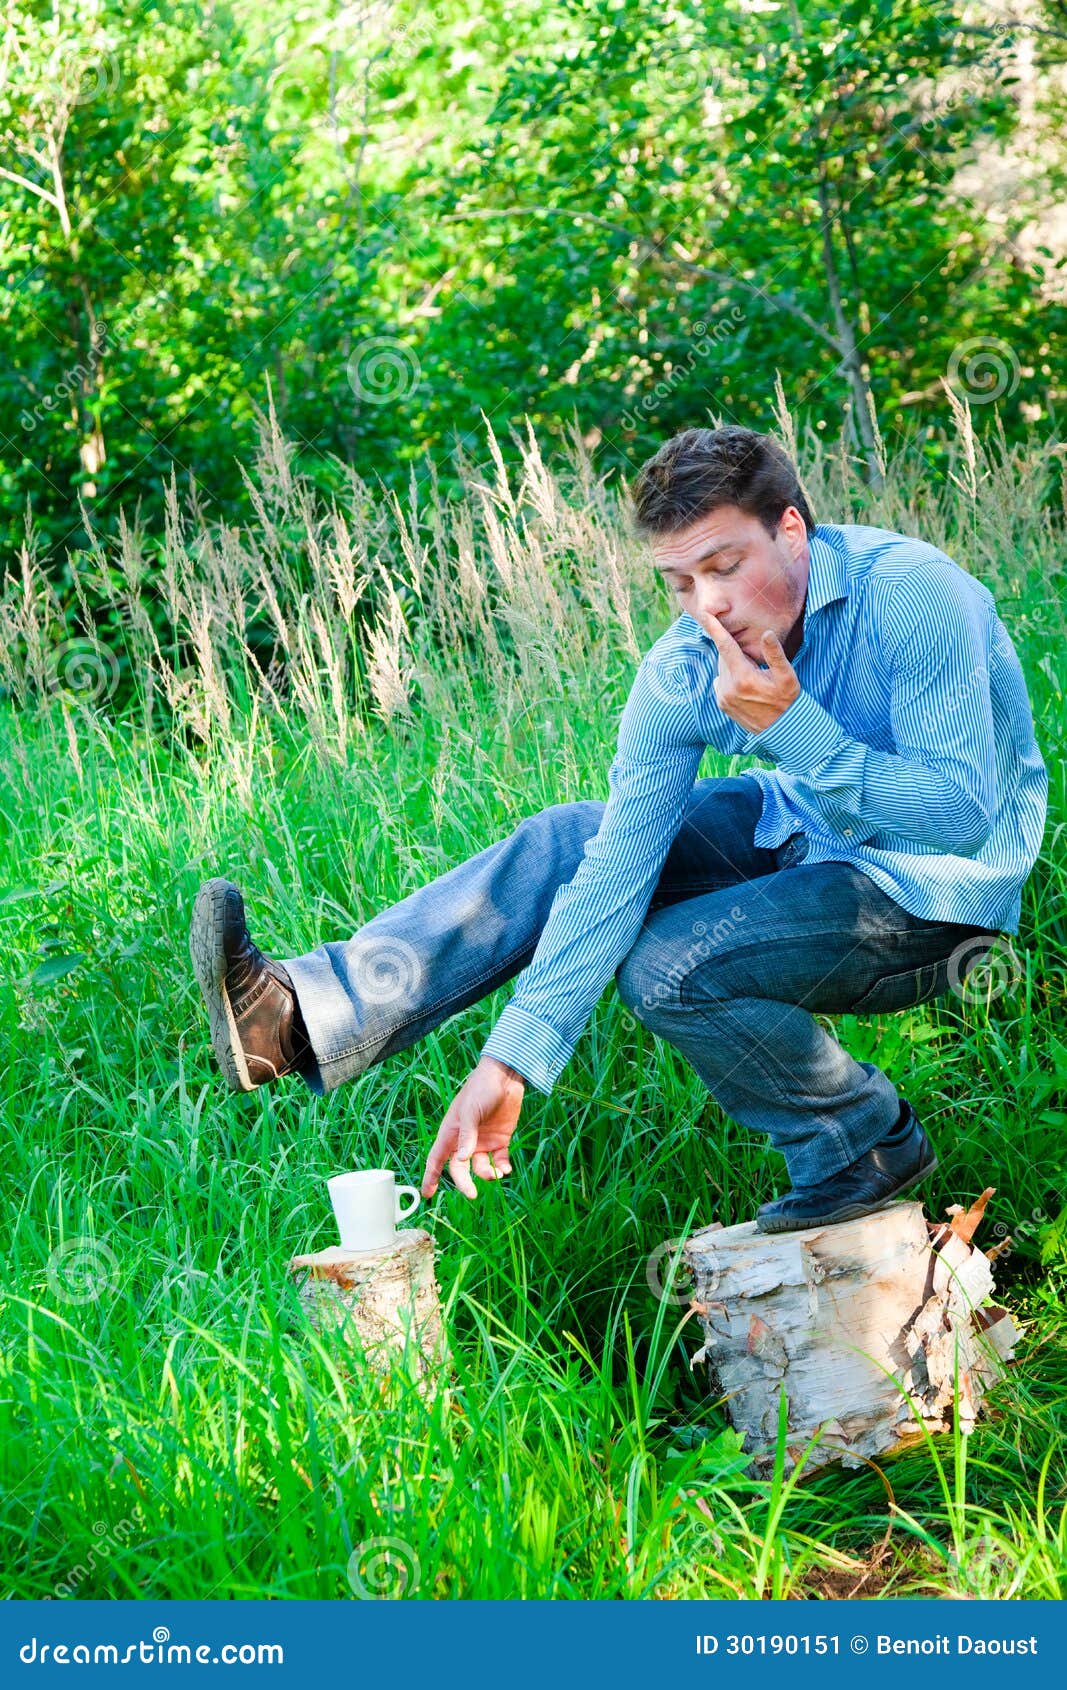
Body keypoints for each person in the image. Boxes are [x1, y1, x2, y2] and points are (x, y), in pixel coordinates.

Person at [189, 425, 1048, 1232]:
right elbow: (614, 872)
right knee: (570, 842)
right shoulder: (683, 667)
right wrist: (510, 1062)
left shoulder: (913, 595)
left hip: (935, 896)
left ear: (792, 531)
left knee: (669, 967)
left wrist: (790, 727)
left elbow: (960, 817)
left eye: (724, 565)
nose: (707, 606)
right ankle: (300, 1017)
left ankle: (858, 1139)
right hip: (806, 834)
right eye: (679, 582)